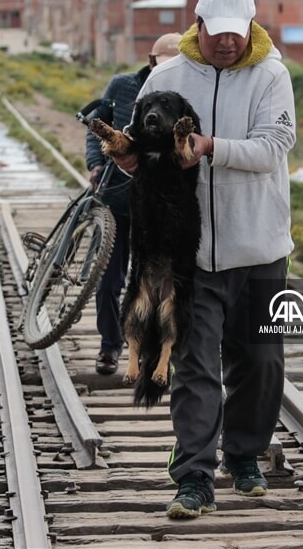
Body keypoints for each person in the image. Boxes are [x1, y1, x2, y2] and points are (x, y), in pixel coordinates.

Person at [118, 0, 296, 518]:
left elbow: (274, 147)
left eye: (236, 33)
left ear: (251, 28)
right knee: (194, 364)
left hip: (260, 247)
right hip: (189, 255)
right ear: (198, 25)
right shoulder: (166, 77)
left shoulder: (272, 75)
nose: (227, 42)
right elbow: (141, 149)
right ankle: (194, 476)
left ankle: (243, 456)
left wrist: (211, 147)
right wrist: (128, 160)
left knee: (260, 362)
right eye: (217, 33)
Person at [86, 32, 183, 375]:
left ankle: (147, 351)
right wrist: (96, 163)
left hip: (156, 210)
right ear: (151, 61)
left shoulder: (183, 97)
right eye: (163, 64)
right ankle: (110, 346)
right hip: (117, 199)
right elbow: (96, 126)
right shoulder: (122, 86)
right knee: (108, 281)